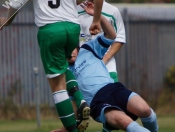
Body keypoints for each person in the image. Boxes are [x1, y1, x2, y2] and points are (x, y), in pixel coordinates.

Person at [53, 2, 159, 132]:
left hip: (114, 89)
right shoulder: (65, 72)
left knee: (146, 110)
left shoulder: (88, 48)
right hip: (98, 103)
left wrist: (98, 17)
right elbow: (76, 105)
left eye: (70, 48)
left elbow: (112, 36)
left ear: (76, 44)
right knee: (126, 123)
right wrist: (65, 128)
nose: (70, 52)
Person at [0, 0, 104, 132]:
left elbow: (15, 4)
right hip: (72, 27)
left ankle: (73, 130)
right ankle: (80, 100)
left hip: (51, 29)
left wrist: (6, 20)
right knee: (63, 66)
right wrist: (96, 19)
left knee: (58, 88)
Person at [77, 0, 125, 83]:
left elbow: (120, 39)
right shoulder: (76, 10)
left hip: (107, 68)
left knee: (112, 95)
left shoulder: (112, 10)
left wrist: (103, 61)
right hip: (83, 70)